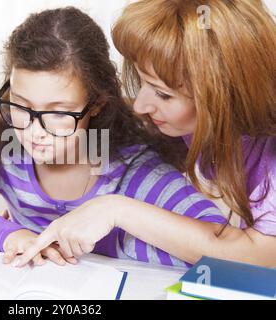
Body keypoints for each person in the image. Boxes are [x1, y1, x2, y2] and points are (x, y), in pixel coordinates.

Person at [0, 7, 226, 268]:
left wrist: (116, 241)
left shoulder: (132, 171)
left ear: (95, 105)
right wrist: (7, 234)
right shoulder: (4, 151)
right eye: (21, 106)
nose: (34, 131)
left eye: (58, 113)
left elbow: (219, 250)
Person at [16, 1, 276, 268]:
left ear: (226, 95)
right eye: (142, 81)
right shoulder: (205, 125)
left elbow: (260, 261)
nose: (141, 105)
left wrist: (116, 210)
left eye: (163, 94)